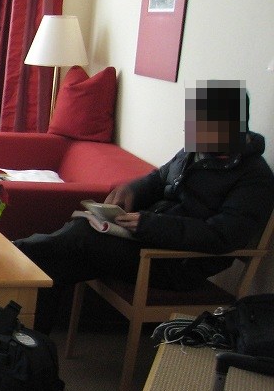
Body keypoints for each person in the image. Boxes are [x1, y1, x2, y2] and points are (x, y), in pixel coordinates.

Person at [14, 80, 274, 333]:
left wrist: (150, 224)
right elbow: (159, 178)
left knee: (80, 237)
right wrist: (133, 190)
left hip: (178, 263)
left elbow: (223, 235)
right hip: (150, 241)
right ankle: (30, 339)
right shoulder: (195, 151)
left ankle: (16, 252)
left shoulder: (254, 177)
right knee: (58, 260)